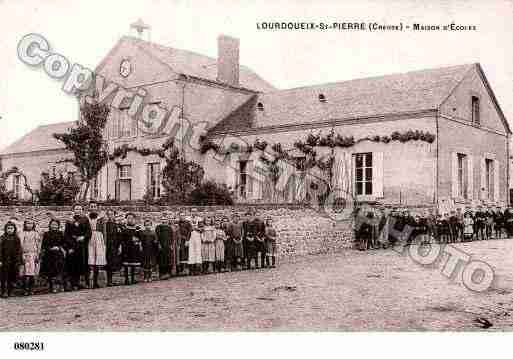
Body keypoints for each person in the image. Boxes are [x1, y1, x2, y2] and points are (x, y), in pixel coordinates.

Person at [64, 204, 92, 289]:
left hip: (82, 245)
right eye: (76, 209)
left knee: (82, 263)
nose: (78, 210)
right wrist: (70, 244)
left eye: (80, 209)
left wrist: (83, 237)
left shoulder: (85, 219)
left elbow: (89, 232)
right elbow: (66, 234)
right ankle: (73, 283)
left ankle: (82, 282)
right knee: (72, 263)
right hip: (72, 244)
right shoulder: (69, 220)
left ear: (82, 210)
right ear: (73, 210)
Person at [41, 219, 66, 294]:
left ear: (58, 226)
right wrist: (50, 248)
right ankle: (52, 286)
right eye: (52, 224)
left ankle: (60, 285)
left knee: (59, 270)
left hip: (58, 254)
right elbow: (44, 245)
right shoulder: (46, 234)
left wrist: (59, 247)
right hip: (49, 255)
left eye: (56, 225)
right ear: (50, 225)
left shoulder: (61, 233)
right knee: (51, 271)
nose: (54, 226)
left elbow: (64, 243)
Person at [0, 221, 23, 298]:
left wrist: (19, 260)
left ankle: (11, 291)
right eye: (8, 228)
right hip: (5, 260)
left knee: (12, 276)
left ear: (14, 229)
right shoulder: (2, 238)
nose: (10, 230)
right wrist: (0, 260)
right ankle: (4, 291)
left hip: (14, 260)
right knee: (4, 276)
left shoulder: (16, 238)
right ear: (5, 229)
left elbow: (19, 250)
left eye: (11, 228)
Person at [100, 209, 122, 287]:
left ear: (114, 215)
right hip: (107, 246)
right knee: (108, 263)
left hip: (114, 246)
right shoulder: (105, 225)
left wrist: (119, 246)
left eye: (111, 214)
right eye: (108, 214)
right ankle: (108, 281)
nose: (110, 216)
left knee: (113, 262)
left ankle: (112, 280)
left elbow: (119, 236)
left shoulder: (116, 225)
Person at [20, 219, 41, 296]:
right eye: (28, 223)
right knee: (25, 273)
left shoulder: (35, 233)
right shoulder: (22, 233)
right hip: (25, 254)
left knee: (32, 273)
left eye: (31, 223)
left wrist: (38, 254)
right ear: (25, 224)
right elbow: (21, 245)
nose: (29, 225)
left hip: (33, 254)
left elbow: (38, 245)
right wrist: (22, 255)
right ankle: (25, 289)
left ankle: (32, 288)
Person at [120, 213, 142, 285]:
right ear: (126, 219)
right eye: (128, 218)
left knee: (133, 263)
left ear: (134, 219)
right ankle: (126, 279)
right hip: (126, 247)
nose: (130, 220)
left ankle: (132, 279)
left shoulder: (137, 228)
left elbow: (140, 236)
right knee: (126, 263)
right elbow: (121, 237)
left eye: (131, 218)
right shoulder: (123, 227)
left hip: (134, 247)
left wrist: (137, 240)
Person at [88, 212, 107, 288]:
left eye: (94, 206)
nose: (93, 208)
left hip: (99, 237)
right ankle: (89, 282)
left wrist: (104, 242)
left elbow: (104, 231)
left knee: (97, 260)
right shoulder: (87, 218)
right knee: (90, 258)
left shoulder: (101, 218)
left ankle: (95, 282)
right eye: (91, 206)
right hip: (90, 237)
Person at [155, 213, 176, 280]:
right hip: (161, 246)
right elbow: (157, 236)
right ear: (161, 220)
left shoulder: (169, 227)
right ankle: (161, 274)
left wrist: (171, 245)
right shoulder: (158, 227)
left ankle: (168, 273)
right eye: (163, 219)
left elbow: (172, 237)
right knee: (161, 260)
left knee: (168, 259)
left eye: (165, 219)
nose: (164, 220)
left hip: (168, 246)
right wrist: (159, 244)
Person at [139, 219, 159, 283]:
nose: (148, 226)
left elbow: (156, 240)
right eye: (146, 225)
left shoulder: (153, 232)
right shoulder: (143, 232)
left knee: (150, 263)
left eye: (149, 225)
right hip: (145, 249)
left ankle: (150, 277)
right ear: (144, 225)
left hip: (151, 250)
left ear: (151, 225)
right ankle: (145, 277)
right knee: (145, 263)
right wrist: (141, 246)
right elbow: (141, 241)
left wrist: (155, 242)